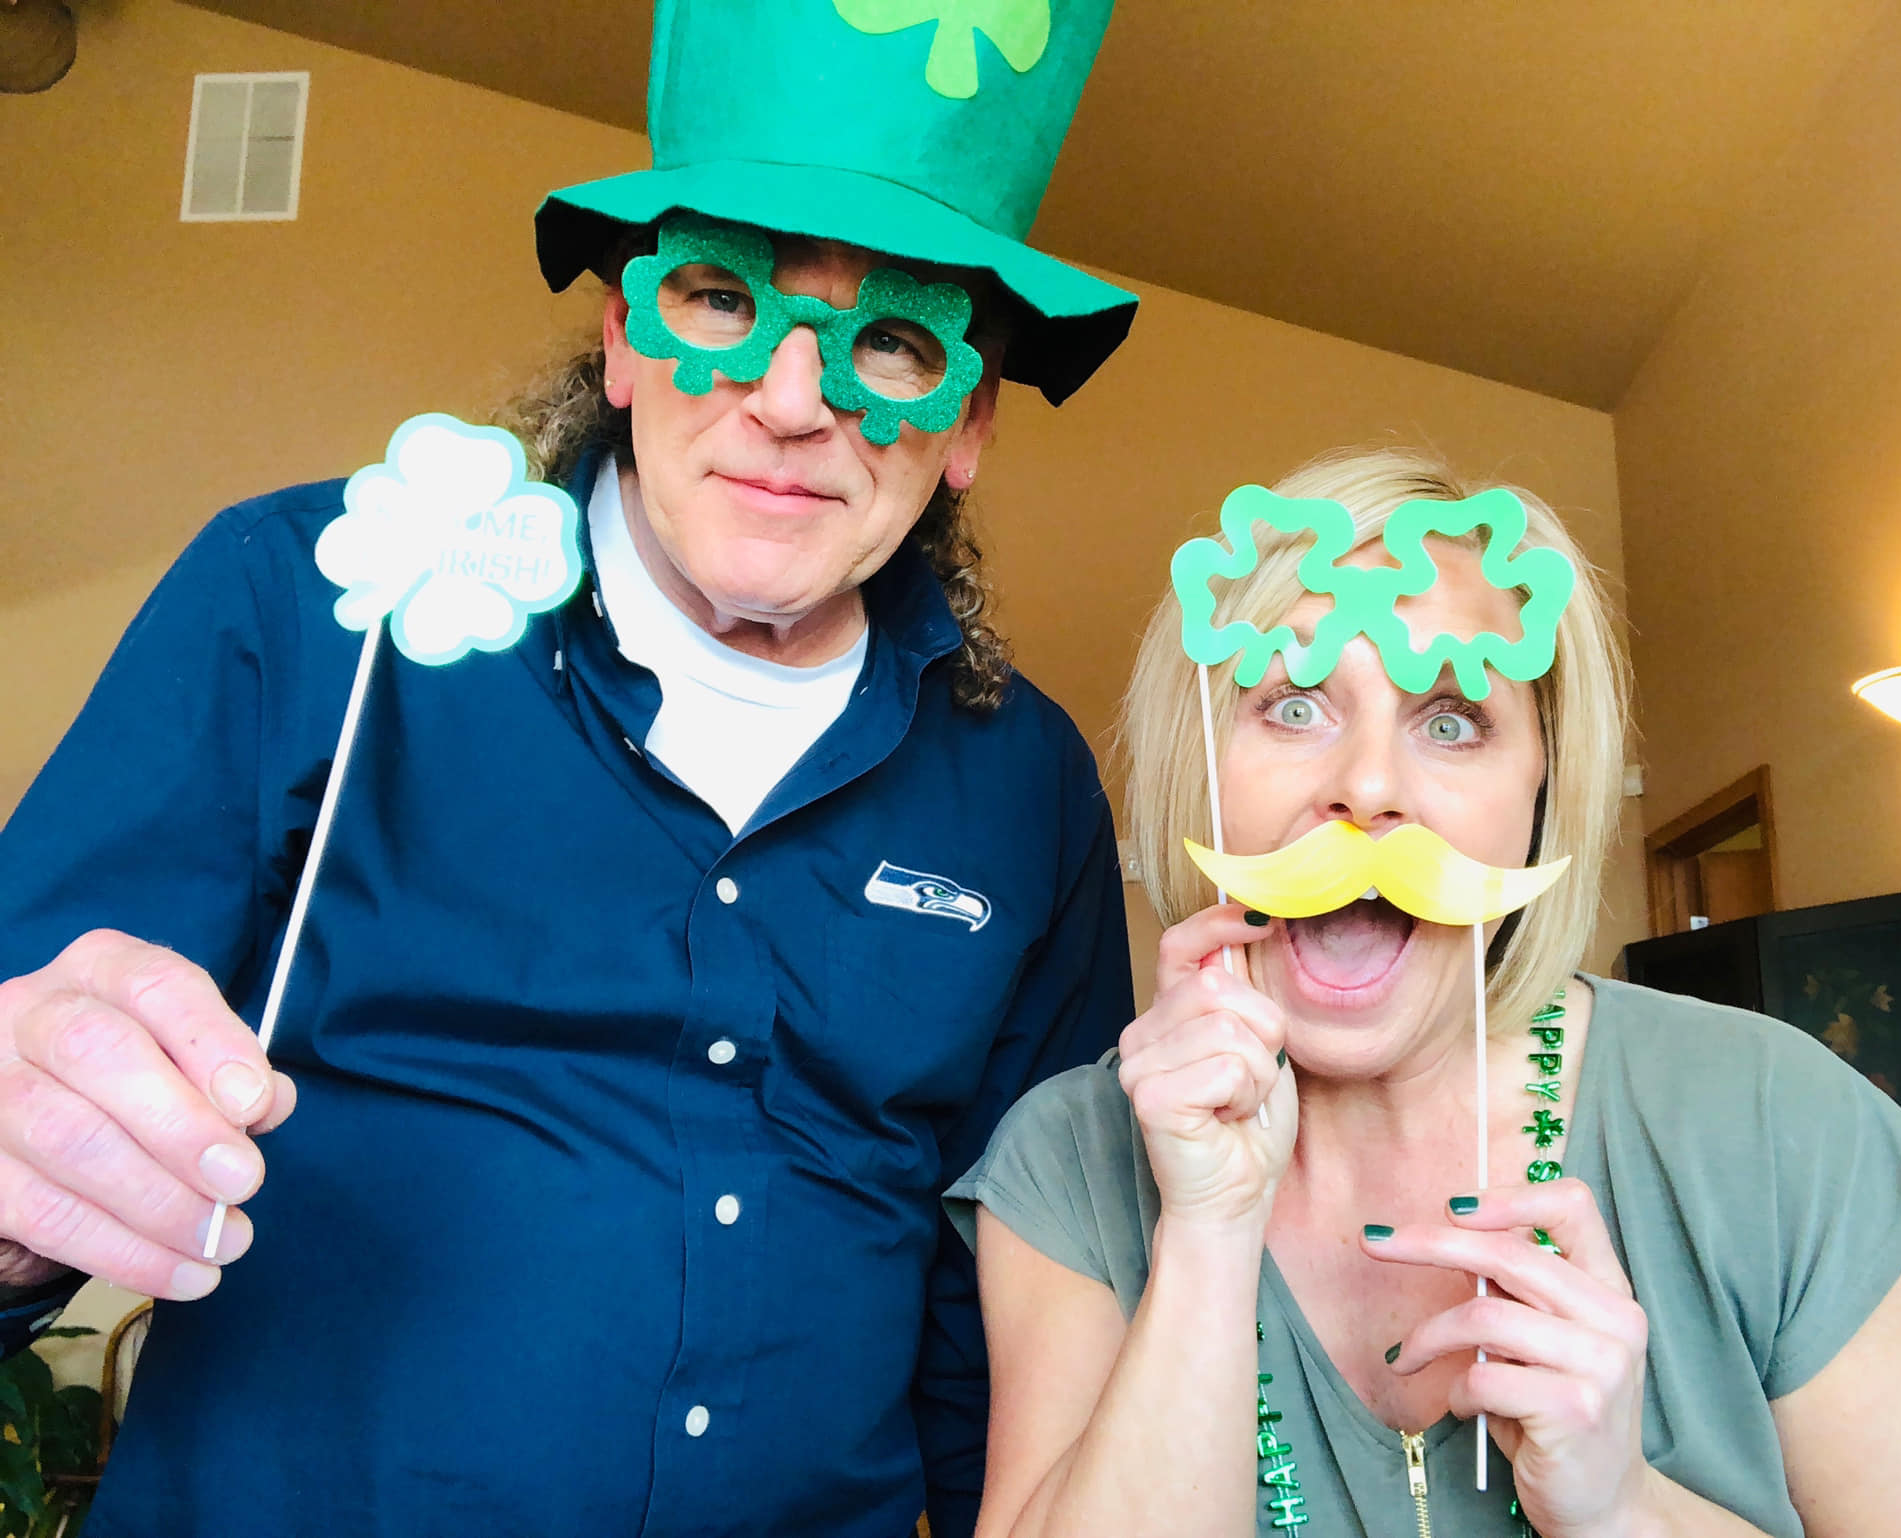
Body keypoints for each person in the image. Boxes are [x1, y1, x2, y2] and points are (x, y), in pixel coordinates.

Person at [0, 2, 1141, 1533]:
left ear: (971, 420)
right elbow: (34, 1110)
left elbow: (1004, 1322)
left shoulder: (1029, 786)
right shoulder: (306, 603)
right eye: (723, 300)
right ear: (622, 338)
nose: (793, 403)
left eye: (892, 340)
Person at [948, 447, 1901, 1537]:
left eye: (1449, 719)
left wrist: (1623, 1511)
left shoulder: (1776, 1120)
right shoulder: (1069, 1162)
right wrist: (1205, 1235)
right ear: (1198, 763)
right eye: (1292, 705)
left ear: (1538, 789)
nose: (1367, 786)